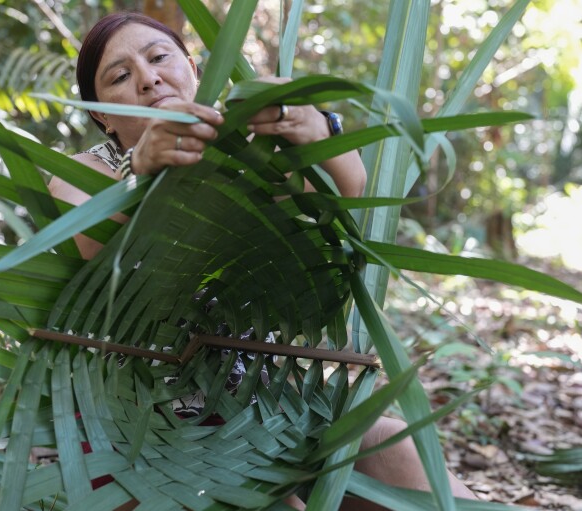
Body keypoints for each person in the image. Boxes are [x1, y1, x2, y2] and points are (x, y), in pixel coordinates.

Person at [49, 12, 476, 511]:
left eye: (160, 57)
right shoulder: (83, 174)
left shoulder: (251, 147)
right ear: (101, 114)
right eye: (120, 76)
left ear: (192, 66)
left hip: (271, 406)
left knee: (400, 451)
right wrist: (141, 168)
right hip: (143, 425)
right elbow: (95, 246)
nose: (148, 78)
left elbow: (345, 194)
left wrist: (314, 127)